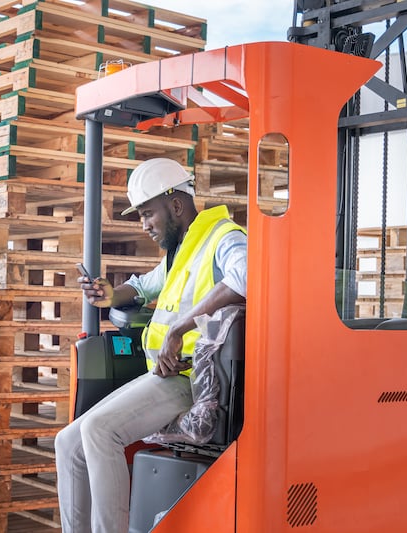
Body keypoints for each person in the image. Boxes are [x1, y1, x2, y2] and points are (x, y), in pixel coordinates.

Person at [54, 158, 247, 533]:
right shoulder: (183, 250)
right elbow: (144, 286)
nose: (144, 226)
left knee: (99, 431)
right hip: (164, 376)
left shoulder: (225, 238)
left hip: (194, 381)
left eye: (147, 214)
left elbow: (248, 276)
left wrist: (180, 325)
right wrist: (108, 294)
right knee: (68, 443)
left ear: (175, 205)